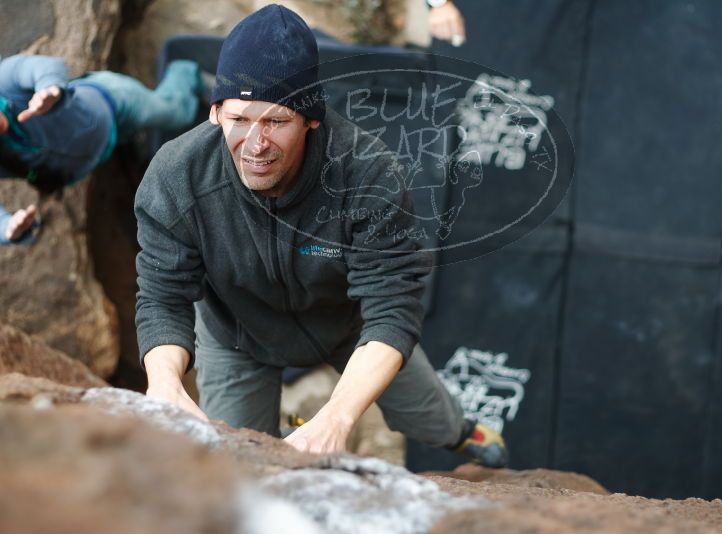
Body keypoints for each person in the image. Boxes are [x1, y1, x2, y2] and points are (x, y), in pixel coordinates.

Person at [135, 4, 507, 466]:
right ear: (214, 112)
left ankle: (460, 432)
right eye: (238, 119)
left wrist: (336, 417)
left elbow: (393, 307)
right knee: (242, 462)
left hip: (349, 326)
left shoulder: (368, 173)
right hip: (237, 334)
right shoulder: (177, 176)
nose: (255, 144)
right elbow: (162, 296)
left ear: (312, 118)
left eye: (274, 121)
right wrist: (165, 385)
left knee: (433, 419)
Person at [0, 53, 203, 245]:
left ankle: (186, 70)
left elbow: (40, 67)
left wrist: (49, 87)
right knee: (130, 138)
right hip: (100, 144)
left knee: (177, 112)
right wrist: (8, 228)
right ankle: (137, 138)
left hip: (113, 100)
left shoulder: (5, 82)